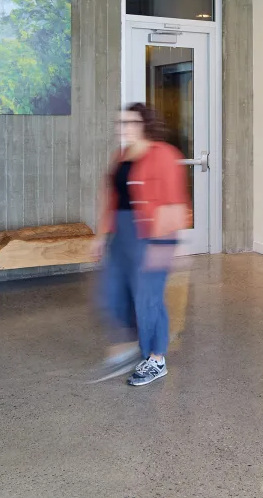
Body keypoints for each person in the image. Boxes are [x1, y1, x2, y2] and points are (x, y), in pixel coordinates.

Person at [92, 103, 190, 387]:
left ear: (145, 124)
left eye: (131, 122)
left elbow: (174, 200)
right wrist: (101, 236)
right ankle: (138, 340)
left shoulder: (164, 155)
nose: (124, 127)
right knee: (113, 295)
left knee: (148, 298)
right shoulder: (121, 155)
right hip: (121, 235)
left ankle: (156, 359)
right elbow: (112, 199)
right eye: (121, 122)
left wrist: (167, 245)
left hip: (152, 234)